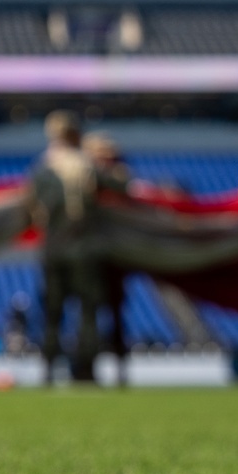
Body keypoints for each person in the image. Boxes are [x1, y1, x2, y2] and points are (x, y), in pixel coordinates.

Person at [28, 109, 106, 380]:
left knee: (52, 312)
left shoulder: (42, 166)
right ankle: (85, 368)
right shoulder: (85, 163)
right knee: (87, 310)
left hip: (53, 247)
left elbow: (31, 208)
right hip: (82, 246)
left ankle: (48, 368)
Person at [83, 130, 133, 369]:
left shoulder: (117, 179)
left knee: (113, 313)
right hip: (91, 256)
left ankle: (118, 366)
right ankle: (86, 365)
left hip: (114, 257)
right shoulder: (85, 178)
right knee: (89, 312)